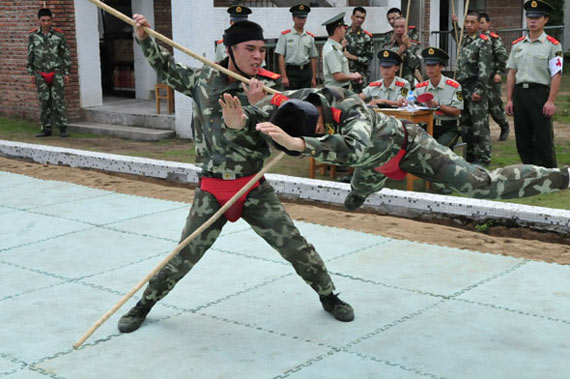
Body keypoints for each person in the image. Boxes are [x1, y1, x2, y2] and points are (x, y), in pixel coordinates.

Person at [117, 15, 354, 334]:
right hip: (212, 188)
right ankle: (144, 304)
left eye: (262, 49)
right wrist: (144, 37)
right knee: (184, 253)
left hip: (253, 187)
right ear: (230, 49)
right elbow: (166, 68)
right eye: (250, 49)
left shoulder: (269, 89)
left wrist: (254, 111)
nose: (258, 56)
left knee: (295, 247)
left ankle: (329, 296)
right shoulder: (203, 79)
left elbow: (277, 141)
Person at [222, 87, 569, 212]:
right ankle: (356, 198)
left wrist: (300, 145)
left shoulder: (352, 110)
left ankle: (562, 177)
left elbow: (354, 151)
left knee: (478, 185)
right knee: (353, 200)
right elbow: (274, 104)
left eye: (312, 135)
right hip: (374, 166)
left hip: (409, 147)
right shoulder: (301, 102)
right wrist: (251, 109)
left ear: (317, 125)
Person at [505, 0, 563, 168]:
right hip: (520, 94)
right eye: (530, 17)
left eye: (537, 18)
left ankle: (549, 173)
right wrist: (509, 99)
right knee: (522, 138)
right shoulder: (518, 45)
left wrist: (551, 100)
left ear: (545, 20)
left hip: (540, 94)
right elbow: (511, 73)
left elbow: (556, 74)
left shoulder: (553, 45)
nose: (532, 21)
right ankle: (531, 171)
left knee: (543, 137)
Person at [452, 11, 492, 166]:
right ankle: (470, 156)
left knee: (479, 125)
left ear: (478, 24)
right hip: (462, 88)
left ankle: (483, 158)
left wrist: (479, 90)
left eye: (472, 22)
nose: (468, 25)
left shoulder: (483, 41)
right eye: (466, 22)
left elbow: (484, 69)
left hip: (475, 86)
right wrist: (454, 23)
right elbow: (456, 34)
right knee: (465, 125)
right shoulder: (465, 39)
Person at [27, 8, 71, 138]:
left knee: (58, 101)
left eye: (48, 20)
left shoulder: (59, 35)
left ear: (52, 20)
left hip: (56, 72)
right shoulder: (33, 35)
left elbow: (65, 55)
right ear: (39, 21)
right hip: (40, 73)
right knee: (44, 101)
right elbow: (30, 54)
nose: (46, 23)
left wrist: (66, 72)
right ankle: (46, 128)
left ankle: (63, 127)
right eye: (43, 20)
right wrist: (31, 73)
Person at [413, 47, 463, 148]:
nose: (430, 69)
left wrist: (438, 106)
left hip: (448, 127)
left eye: (433, 65)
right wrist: (406, 101)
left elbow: (457, 111)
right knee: (415, 147)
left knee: (437, 149)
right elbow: (410, 102)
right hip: (427, 126)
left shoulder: (454, 86)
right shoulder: (421, 87)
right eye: (428, 65)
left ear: (441, 67)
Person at [479, 12, 510, 141]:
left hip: (491, 78)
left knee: (494, 106)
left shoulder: (493, 39)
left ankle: (504, 125)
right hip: (478, 79)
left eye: (482, 23)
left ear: (488, 24)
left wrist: (498, 72)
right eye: (478, 23)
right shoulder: (473, 38)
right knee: (480, 107)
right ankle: (483, 133)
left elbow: (502, 56)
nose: (480, 26)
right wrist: (454, 23)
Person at [275, 4, 318, 89]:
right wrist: (284, 76)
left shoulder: (309, 37)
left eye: (304, 18)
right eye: (299, 18)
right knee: (292, 98)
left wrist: (313, 77)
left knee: (305, 98)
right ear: (293, 18)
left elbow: (313, 57)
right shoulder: (285, 35)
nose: (301, 21)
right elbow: (281, 56)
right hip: (291, 72)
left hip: (305, 71)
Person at [321, 12, 362, 90]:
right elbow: (338, 76)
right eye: (344, 28)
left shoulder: (334, 47)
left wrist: (350, 75)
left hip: (339, 89)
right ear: (338, 30)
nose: (345, 31)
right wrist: (353, 76)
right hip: (337, 91)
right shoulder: (332, 50)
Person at [381, 17, 422, 88]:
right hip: (393, 86)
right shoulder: (388, 47)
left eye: (402, 27)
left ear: (407, 29)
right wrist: (398, 53)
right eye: (396, 27)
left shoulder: (415, 46)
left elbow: (416, 65)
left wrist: (409, 47)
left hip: (410, 86)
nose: (399, 30)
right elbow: (386, 66)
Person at [344, 7, 374, 93]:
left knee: (361, 101)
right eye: (357, 17)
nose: (359, 20)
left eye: (362, 18)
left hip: (361, 76)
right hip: (346, 74)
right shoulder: (343, 34)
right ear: (352, 17)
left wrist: (353, 57)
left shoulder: (367, 37)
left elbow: (368, 59)